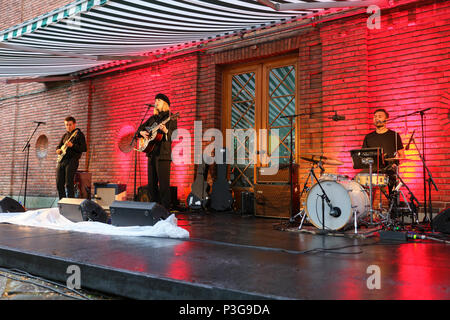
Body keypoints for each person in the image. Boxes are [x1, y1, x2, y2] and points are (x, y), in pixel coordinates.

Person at [138, 93, 177, 210]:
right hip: (151, 154)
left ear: (165, 103)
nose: (156, 102)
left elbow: (174, 135)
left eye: (158, 100)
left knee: (164, 186)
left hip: (163, 155)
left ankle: (165, 211)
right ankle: (154, 210)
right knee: (151, 186)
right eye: (155, 100)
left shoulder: (171, 117)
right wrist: (141, 133)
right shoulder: (153, 119)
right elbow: (140, 128)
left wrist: (165, 131)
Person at [362, 108, 405, 197]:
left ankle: (392, 207)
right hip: (373, 170)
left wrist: (396, 164)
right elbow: (363, 155)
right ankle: (368, 208)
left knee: (393, 191)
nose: (377, 119)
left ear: (386, 120)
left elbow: (402, 155)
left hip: (389, 169)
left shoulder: (394, 135)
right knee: (362, 184)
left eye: (380, 116)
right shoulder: (368, 137)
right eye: (375, 117)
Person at [56, 116, 87, 199]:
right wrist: (58, 150)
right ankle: (62, 202)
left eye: (70, 125)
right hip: (62, 160)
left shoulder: (79, 134)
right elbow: (58, 146)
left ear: (74, 124)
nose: (68, 127)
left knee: (69, 183)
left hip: (72, 160)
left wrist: (72, 145)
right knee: (59, 183)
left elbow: (84, 148)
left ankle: (70, 203)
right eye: (66, 125)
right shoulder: (65, 135)